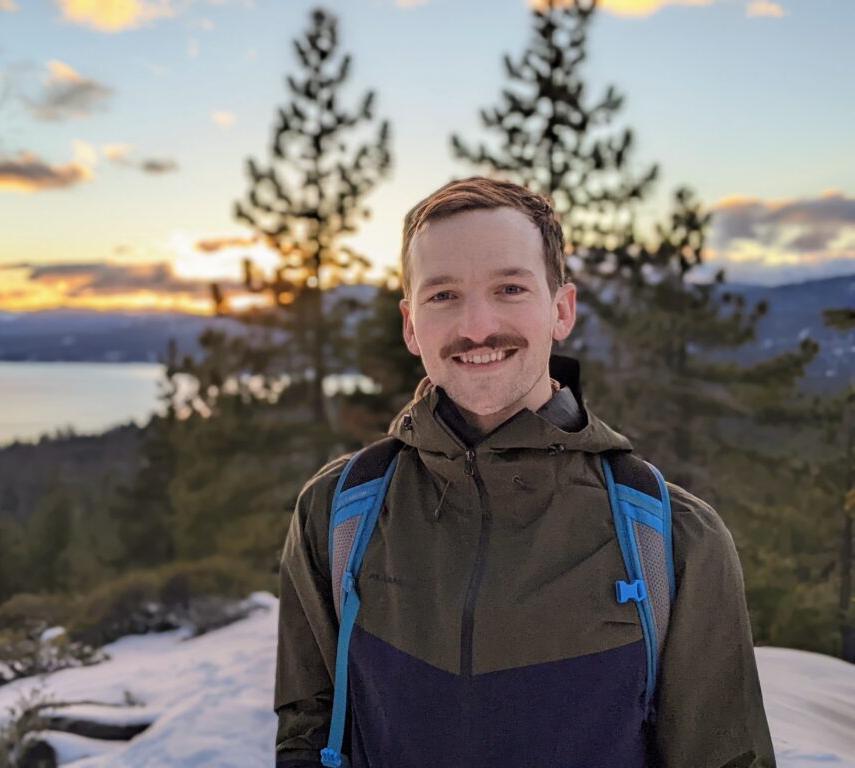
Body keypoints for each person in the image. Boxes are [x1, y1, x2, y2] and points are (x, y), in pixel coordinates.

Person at [274, 177, 776, 768]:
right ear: (411, 326)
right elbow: (306, 733)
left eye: (510, 288)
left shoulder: (673, 539)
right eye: (443, 296)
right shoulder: (339, 512)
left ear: (561, 309)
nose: (477, 326)